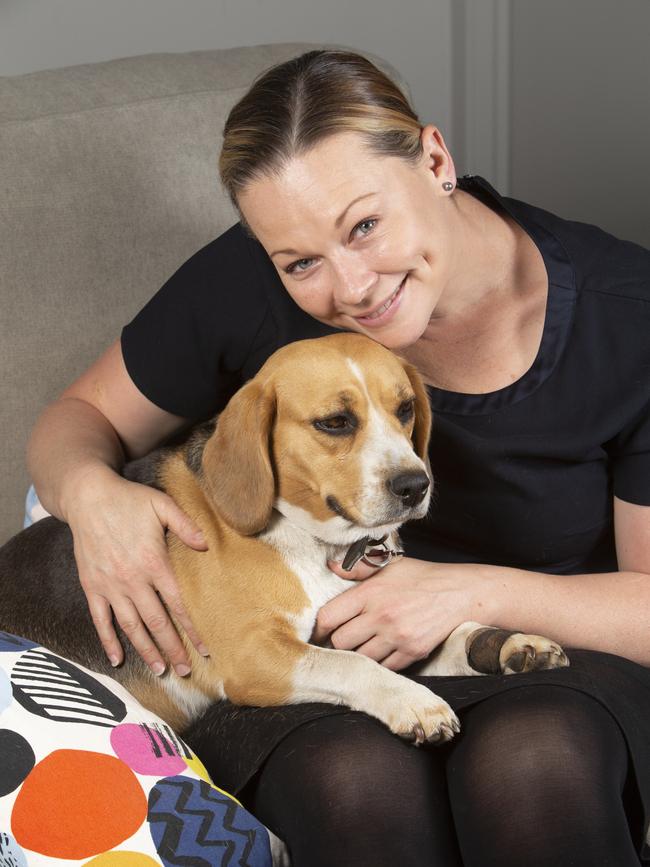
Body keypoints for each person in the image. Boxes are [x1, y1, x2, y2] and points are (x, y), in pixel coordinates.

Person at [27, 49, 650, 866]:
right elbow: (74, 419)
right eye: (301, 263)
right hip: (304, 660)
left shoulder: (627, 317)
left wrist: (466, 590)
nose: (351, 287)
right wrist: (89, 493)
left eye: (365, 224)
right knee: (353, 783)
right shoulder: (253, 280)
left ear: (434, 160)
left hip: (543, 654)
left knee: (534, 761)